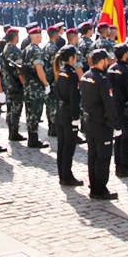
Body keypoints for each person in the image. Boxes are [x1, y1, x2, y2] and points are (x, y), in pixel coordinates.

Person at [81, 48, 122, 200]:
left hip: (89, 121)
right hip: (101, 124)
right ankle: (100, 189)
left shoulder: (85, 76)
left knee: (92, 155)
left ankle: (93, 185)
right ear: (102, 61)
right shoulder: (102, 80)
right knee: (103, 157)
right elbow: (109, 105)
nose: (108, 63)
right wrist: (116, 125)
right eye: (107, 60)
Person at [109, 44, 128, 178]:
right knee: (127, 139)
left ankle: (118, 165)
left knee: (118, 137)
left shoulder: (110, 69)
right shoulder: (127, 71)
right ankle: (124, 167)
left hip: (114, 107)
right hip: (125, 108)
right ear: (126, 54)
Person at [54, 45, 83, 186]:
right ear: (72, 58)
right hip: (68, 114)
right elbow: (74, 98)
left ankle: (62, 174)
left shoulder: (60, 72)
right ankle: (67, 176)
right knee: (69, 147)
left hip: (59, 112)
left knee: (62, 146)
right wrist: (76, 117)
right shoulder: (71, 74)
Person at [21, 27, 51, 149]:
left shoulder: (26, 50)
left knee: (29, 112)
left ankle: (31, 137)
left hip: (28, 85)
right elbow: (39, 69)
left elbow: (21, 69)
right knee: (35, 112)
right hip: (36, 86)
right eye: (40, 35)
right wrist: (46, 84)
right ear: (37, 37)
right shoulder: (37, 51)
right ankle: (33, 139)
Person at [3, 28, 27, 142]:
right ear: (14, 37)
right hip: (16, 84)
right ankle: (14, 132)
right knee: (16, 108)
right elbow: (19, 70)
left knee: (10, 107)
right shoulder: (16, 51)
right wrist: (25, 84)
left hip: (8, 82)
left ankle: (11, 131)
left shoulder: (5, 48)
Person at [42, 26, 61, 138]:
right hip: (53, 79)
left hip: (46, 78)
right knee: (53, 104)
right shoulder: (54, 49)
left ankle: (51, 126)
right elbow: (56, 66)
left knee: (49, 103)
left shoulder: (44, 47)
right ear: (55, 35)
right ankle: (53, 127)